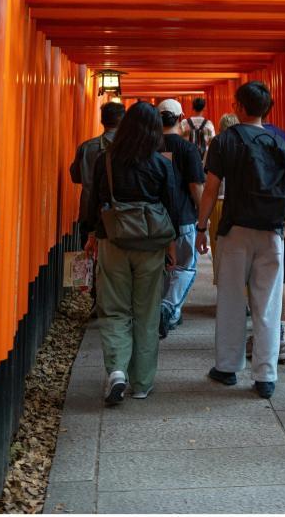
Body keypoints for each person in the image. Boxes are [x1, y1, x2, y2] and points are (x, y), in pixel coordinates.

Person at [196, 81, 285, 399]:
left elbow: (211, 188)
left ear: (239, 107)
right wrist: (282, 230)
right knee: (266, 304)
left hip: (236, 230)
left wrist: (201, 227)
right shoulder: (280, 140)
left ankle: (227, 368)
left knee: (231, 299)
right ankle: (266, 377)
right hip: (271, 232)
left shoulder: (226, 140)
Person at [84, 102, 179, 406]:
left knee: (113, 309)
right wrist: (172, 245)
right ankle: (141, 383)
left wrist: (90, 233)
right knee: (146, 312)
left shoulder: (106, 160)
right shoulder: (162, 164)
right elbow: (172, 207)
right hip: (151, 246)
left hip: (114, 241)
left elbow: (94, 199)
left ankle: (116, 371)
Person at [246, 100, 285, 362]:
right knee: (278, 280)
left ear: (239, 107)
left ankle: (260, 336)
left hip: (245, 221)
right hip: (276, 219)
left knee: (252, 281)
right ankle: (279, 338)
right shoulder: (282, 137)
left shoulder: (239, 136)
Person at [157, 99, 205, 337]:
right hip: (184, 215)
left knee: (163, 266)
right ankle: (167, 307)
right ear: (180, 117)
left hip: (155, 217)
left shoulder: (149, 147)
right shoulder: (188, 149)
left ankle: (169, 313)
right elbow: (196, 186)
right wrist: (203, 217)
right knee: (185, 267)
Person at [69, 101, 126, 249]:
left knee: (88, 260)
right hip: (120, 213)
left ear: (102, 121)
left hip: (89, 213)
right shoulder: (129, 149)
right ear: (124, 121)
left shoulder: (86, 147)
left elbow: (75, 177)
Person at [208, 113, 239, 281]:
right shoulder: (245, 142)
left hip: (218, 202)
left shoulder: (217, 143)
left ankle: (221, 280)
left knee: (218, 245)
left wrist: (202, 221)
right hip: (238, 203)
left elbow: (209, 181)